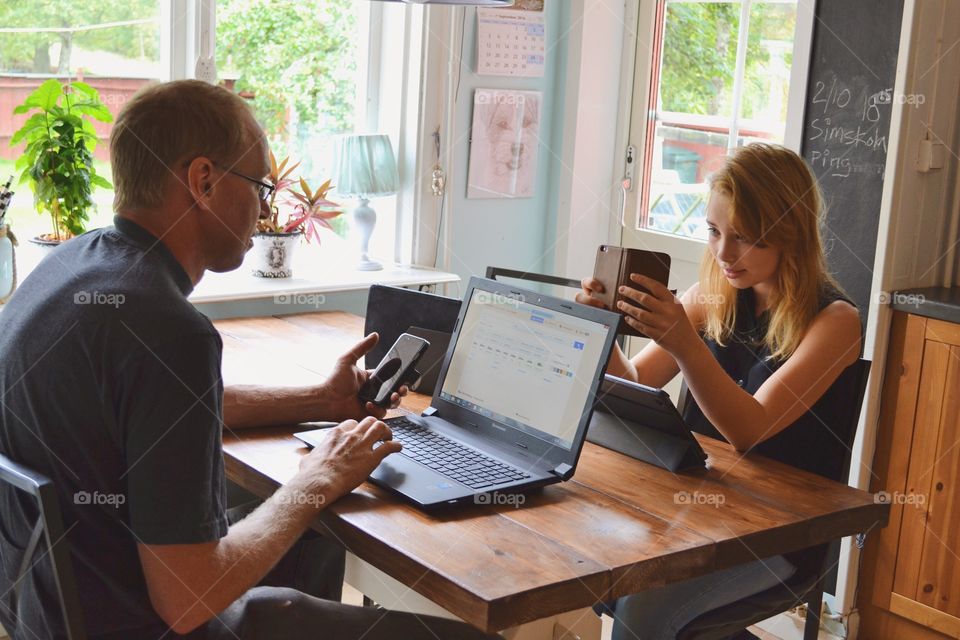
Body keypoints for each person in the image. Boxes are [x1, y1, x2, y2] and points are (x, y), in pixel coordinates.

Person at [0, 80, 495, 640]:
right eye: (260, 184)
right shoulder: (167, 328)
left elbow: (152, 414)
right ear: (204, 181)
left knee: (309, 532)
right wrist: (318, 478)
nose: (266, 207)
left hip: (46, 612)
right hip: (137, 622)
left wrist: (320, 401)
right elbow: (188, 599)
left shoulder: (67, 268)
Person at [577, 143, 862, 640]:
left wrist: (686, 345)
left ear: (790, 236)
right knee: (586, 556)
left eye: (745, 239)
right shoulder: (717, 297)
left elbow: (750, 431)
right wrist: (600, 327)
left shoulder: (836, 321)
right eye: (713, 231)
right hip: (701, 510)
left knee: (642, 609)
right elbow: (636, 384)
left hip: (783, 535)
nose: (724, 254)